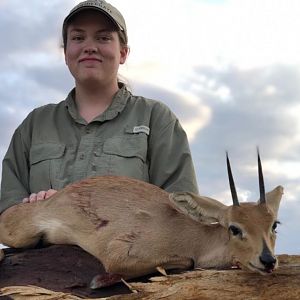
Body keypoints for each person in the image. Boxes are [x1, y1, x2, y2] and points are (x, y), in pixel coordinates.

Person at [0, 0, 198, 213]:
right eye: (77, 38)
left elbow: (184, 215)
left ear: (123, 53)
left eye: (103, 38)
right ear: (66, 53)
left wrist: (73, 212)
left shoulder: (157, 119)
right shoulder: (34, 124)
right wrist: (38, 211)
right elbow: (8, 212)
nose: (90, 47)